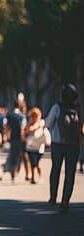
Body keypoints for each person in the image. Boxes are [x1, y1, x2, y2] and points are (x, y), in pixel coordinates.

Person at [45, 84, 81, 214]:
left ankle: (53, 197)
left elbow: (48, 124)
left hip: (58, 143)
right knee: (70, 174)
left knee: (56, 169)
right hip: (74, 144)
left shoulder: (57, 107)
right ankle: (65, 202)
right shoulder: (77, 108)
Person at [25, 107, 51, 184]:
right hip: (30, 146)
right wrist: (35, 126)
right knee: (33, 163)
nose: (36, 117)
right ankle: (33, 178)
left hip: (39, 147)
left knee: (37, 163)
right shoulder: (30, 123)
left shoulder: (42, 122)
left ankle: (40, 176)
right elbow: (28, 130)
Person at [4, 101, 26, 182]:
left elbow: (6, 127)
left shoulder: (9, 115)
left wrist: (6, 135)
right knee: (19, 156)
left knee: (13, 155)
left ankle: (13, 173)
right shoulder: (22, 115)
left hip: (13, 137)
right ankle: (16, 172)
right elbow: (22, 128)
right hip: (20, 138)